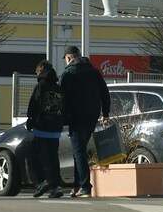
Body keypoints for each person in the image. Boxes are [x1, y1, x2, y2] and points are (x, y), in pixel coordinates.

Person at [59, 46, 110, 198]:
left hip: (76, 117)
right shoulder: (94, 71)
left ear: (69, 58)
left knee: (78, 151)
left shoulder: (69, 72)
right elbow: (104, 92)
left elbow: (61, 96)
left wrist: (60, 116)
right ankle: (77, 186)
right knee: (79, 150)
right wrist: (105, 113)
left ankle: (85, 186)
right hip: (92, 117)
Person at [26, 60, 64, 198]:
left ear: (40, 71)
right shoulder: (58, 87)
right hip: (55, 128)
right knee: (53, 157)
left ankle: (41, 181)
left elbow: (34, 104)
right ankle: (56, 186)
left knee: (33, 153)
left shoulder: (40, 86)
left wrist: (30, 120)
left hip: (41, 126)